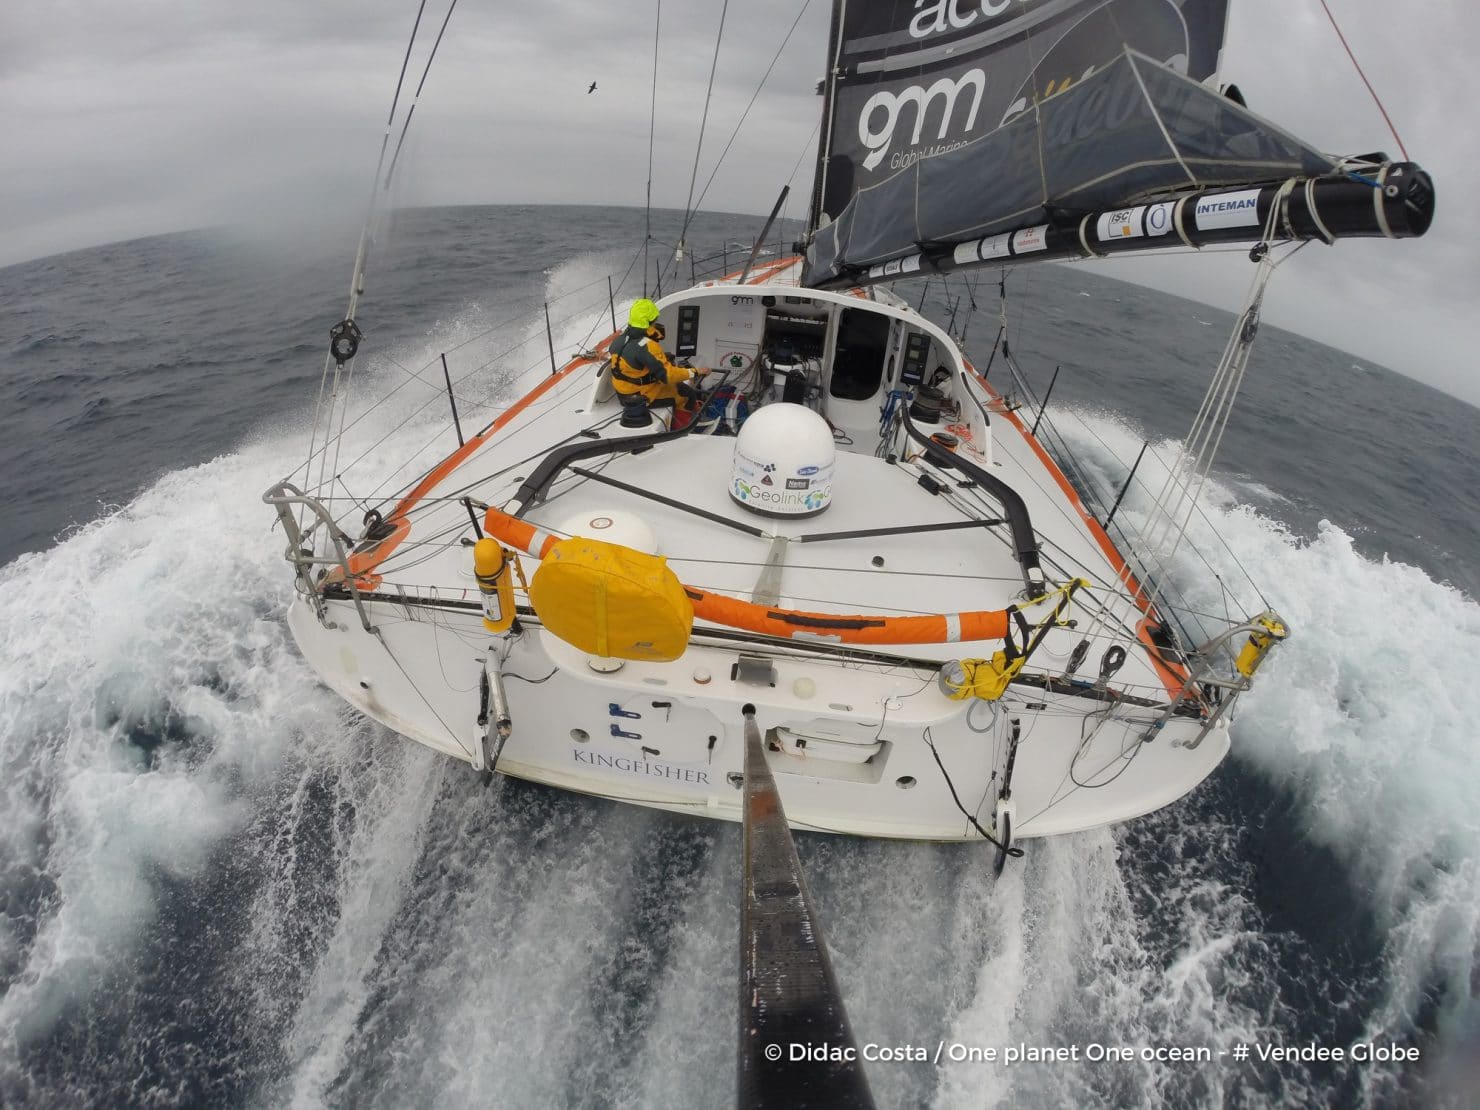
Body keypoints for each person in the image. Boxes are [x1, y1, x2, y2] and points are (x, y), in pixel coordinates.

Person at [609, 299, 709, 417]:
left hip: (623, 392)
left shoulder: (618, 340)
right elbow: (668, 376)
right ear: (650, 322)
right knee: (687, 393)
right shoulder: (648, 346)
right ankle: (686, 423)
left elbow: (634, 361)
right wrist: (696, 372)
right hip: (642, 396)